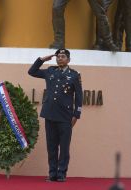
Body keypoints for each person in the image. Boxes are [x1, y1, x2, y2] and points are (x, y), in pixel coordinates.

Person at [28, 49, 83, 182]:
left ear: (68, 60)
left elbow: (79, 97)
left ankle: (61, 173)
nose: (60, 58)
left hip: (65, 117)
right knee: (51, 147)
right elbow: (32, 72)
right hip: (50, 114)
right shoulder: (50, 71)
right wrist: (42, 59)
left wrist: (77, 115)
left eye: (63, 56)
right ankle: (52, 173)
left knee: (64, 147)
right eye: (58, 56)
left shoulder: (74, 75)